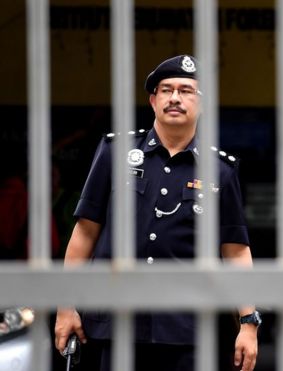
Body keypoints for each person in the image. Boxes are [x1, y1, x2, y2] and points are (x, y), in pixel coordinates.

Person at [54, 55, 260, 371]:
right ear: (153, 100)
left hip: (189, 329)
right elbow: (85, 232)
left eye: (186, 90)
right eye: (166, 90)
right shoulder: (115, 152)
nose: (175, 97)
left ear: (202, 104)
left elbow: (235, 251)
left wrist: (248, 322)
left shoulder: (220, 170)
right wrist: (65, 305)